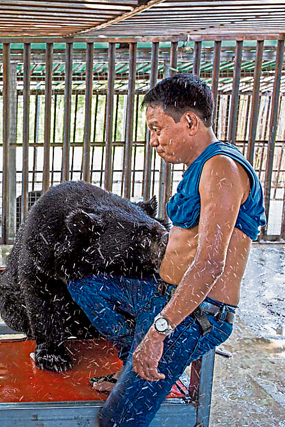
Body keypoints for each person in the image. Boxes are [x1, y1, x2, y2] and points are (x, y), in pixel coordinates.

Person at [66, 73, 266, 427]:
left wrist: (158, 333)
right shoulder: (200, 166)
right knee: (85, 284)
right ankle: (134, 365)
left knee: (118, 419)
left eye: (157, 128)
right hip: (162, 294)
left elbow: (209, 264)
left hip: (195, 315)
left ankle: (143, 367)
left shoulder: (221, 168)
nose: (153, 140)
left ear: (189, 121)